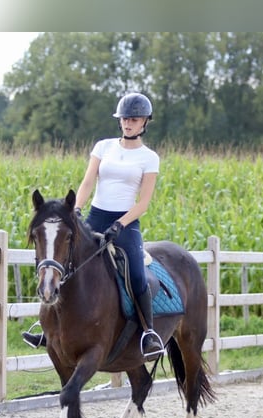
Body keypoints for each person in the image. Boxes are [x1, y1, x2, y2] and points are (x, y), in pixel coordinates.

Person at [23, 92, 165, 360]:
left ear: (145, 122)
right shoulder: (103, 147)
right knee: (65, 263)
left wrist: (120, 225)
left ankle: (148, 333)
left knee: (136, 273)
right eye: (124, 119)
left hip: (126, 222)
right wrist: (74, 209)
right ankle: (47, 329)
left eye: (133, 119)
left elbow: (144, 202)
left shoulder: (149, 158)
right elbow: (88, 182)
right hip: (95, 217)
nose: (127, 123)